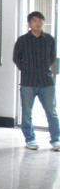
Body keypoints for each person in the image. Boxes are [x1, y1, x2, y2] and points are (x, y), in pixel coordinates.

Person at [13, 11, 60, 151]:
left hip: (46, 82)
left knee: (52, 112)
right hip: (28, 82)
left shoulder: (49, 39)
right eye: (34, 20)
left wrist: (43, 68)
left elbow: (52, 57)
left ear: (43, 23)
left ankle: (56, 140)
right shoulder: (22, 40)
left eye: (40, 21)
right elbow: (16, 58)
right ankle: (30, 139)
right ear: (29, 23)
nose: (37, 23)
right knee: (27, 113)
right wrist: (26, 69)